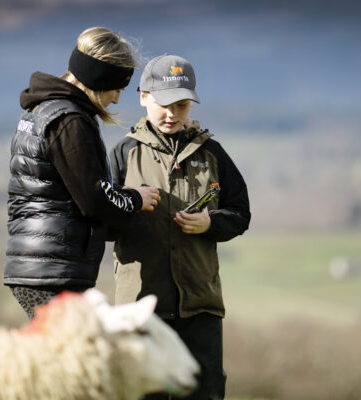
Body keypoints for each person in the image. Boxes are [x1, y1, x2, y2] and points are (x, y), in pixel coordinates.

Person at [108, 54, 251, 400]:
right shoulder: (122, 154)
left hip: (199, 307)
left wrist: (209, 223)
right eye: (163, 103)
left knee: (205, 393)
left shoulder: (213, 153)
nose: (172, 114)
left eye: (182, 105)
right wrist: (131, 204)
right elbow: (101, 219)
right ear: (143, 97)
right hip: (140, 310)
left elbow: (240, 214)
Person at [3, 27, 160, 319]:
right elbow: (93, 199)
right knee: (65, 360)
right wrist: (135, 199)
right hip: (54, 270)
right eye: (118, 89)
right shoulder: (70, 120)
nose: (116, 100)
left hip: (36, 264)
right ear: (100, 80)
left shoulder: (40, 109)